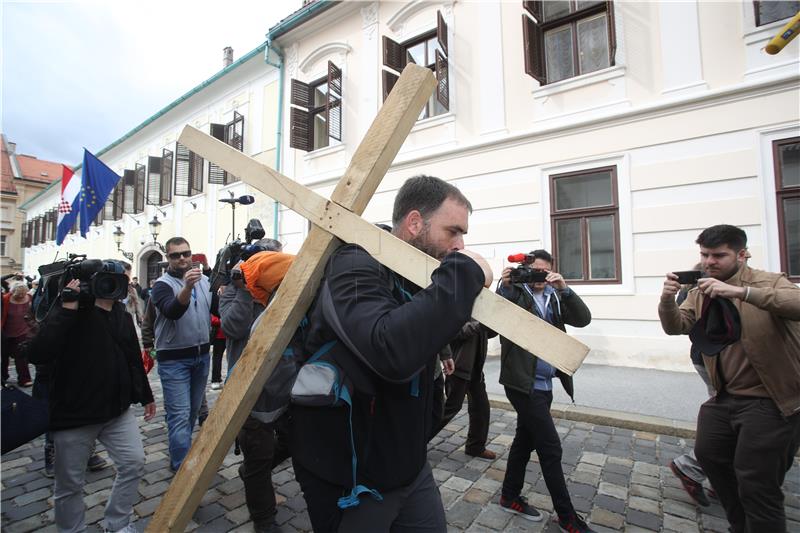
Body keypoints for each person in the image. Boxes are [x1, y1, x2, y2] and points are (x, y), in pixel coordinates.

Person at [290, 175, 492, 532]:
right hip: (353, 476)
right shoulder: (354, 262)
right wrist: (466, 273)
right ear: (415, 223)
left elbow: (424, 324)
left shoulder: (419, 271)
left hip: (409, 464)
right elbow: (389, 348)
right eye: (453, 231)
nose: (460, 245)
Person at [659, 224, 800, 533]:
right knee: (710, 456)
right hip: (724, 397)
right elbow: (678, 326)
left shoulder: (768, 281)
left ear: (741, 254)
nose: (710, 262)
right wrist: (668, 299)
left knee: (758, 484)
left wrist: (740, 292)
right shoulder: (699, 290)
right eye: (705, 255)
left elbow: (795, 305)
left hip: (770, 400)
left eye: (719, 256)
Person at [28, 261, 156, 533]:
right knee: (69, 485)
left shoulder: (120, 312)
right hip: (75, 416)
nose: (112, 285)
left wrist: (145, 395)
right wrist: (67, 309)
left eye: (118, 279)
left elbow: (132, 356)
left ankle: (118, 522)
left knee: (133, 462)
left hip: (117, 411)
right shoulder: (70, 311)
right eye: (106, 279)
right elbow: (38, 353)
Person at [496, 249, 595, 533]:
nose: (538, 277)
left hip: (544, 383)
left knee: (524, 441)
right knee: (550, 447)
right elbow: (497, 321)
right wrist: (505, 286)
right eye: (534, 271)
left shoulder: (554, 296)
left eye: (543, 272)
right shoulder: (516, 292)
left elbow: (582, 319)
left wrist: (564, 289)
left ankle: (509, 496)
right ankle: (567, 518)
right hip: (521, 383)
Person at [219, 238, 289, 533]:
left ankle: (250, 472)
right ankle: (264, 519)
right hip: (248, 389)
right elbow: (233, 327)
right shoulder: (230, 293)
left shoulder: (283, 290)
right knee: (257, 454)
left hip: (284, 385)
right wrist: (243, 289)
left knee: (292, 441)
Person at [151, 237, 212, 472]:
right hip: (174, 359)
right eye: (176, 255)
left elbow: (215, 308)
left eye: (186, 253)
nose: (183, 258)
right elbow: (172, 311)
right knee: (179, 416)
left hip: (202, 356)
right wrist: (187, 287)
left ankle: (181, 458)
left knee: (192, 413)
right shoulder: (162, 285)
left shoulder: (204, 280)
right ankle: (181, 472)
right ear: (168, 258)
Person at [434, 320, 496, 460]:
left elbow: (486, 334)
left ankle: (475, 447)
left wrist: (495, 325)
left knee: (481, 408)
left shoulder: (484, 305)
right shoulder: (460, 301)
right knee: (448, 409)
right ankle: (417, 443)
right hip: (459, 366)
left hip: (476, 368)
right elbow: (454, 332)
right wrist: (479, 325)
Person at [1, 281, 35, 386]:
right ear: (12, 292)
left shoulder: (30, 297)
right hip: (6, 332)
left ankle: (24, 379)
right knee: (3, 356)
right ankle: (3, 376)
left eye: (23, 293)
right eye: (18, 294)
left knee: (21, 356)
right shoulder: (5, 299)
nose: (21, 296)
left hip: (22, 331)